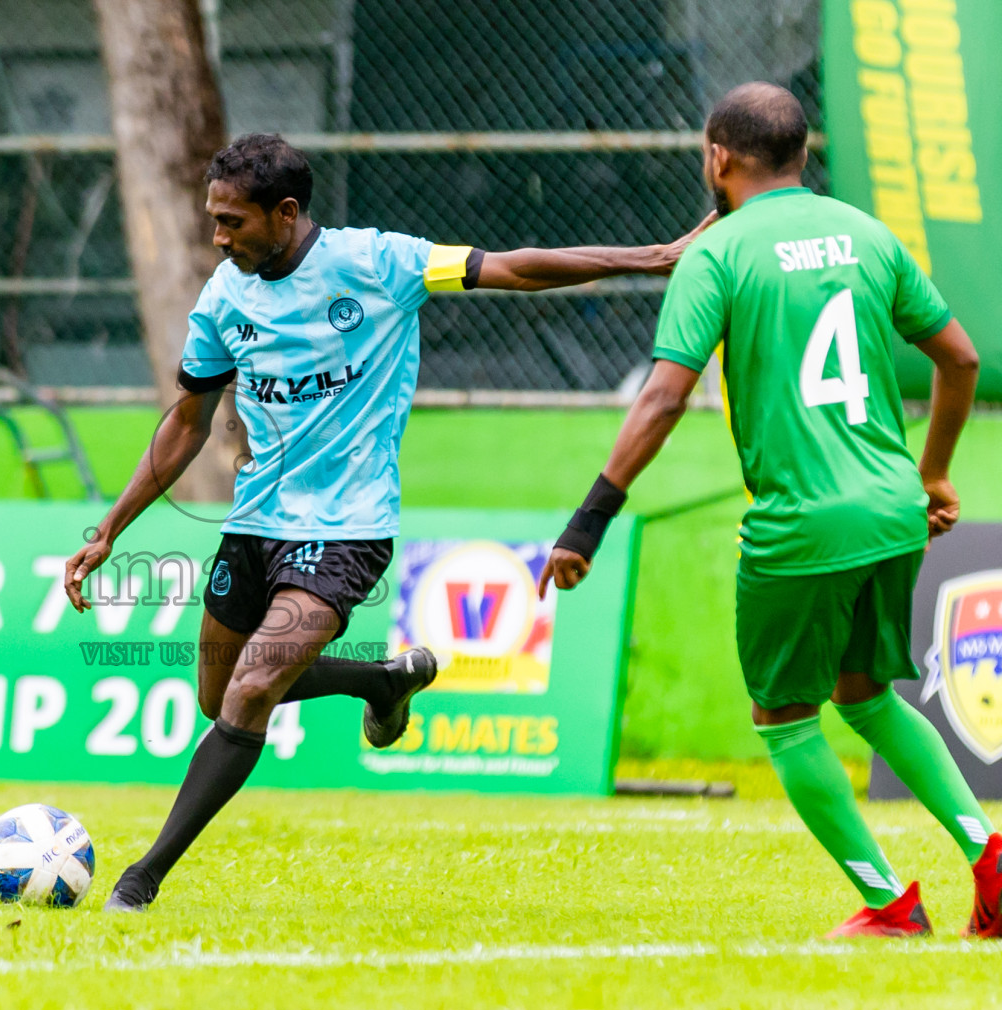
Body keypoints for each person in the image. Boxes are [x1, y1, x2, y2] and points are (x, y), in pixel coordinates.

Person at [64, 132, 713, 910]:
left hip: (348, 527)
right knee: (218, 696)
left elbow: (509, 267)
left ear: (287, 212)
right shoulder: (223, 296)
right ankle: (380, 680)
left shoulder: (380, 263)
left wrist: (647, 258)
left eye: (233, 221)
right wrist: (110, 529)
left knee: (251, 692)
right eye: (214, 218)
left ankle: (142, 878)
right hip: (255, 523)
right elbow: (186, 423)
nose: (218, 236)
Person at [541, 82, 998, 938]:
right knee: (865, 697)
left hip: (802, 522)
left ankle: (890, 904)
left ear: (719, 157)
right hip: (894, 511)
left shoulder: (717, 255)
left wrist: (590, 519)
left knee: (784, 718)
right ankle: (989, 856)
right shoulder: (867, 234)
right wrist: (933, 475)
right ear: (801, 153)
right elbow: (961, 359)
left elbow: (662, 399)